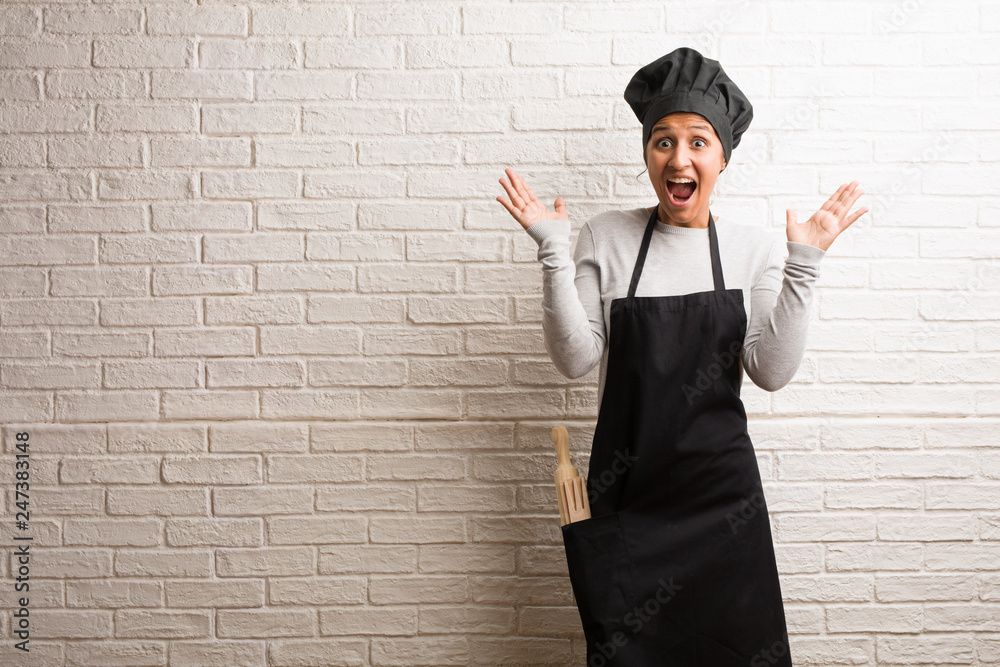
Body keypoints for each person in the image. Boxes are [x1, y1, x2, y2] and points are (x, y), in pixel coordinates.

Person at [496, 47, 867, 665]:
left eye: (698, 141)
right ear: (647, 155)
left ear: (722, 157)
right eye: (662, 141)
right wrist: (552, 253)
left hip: (724, 512)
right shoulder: (605, 237)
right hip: (629, 505)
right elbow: (575, 359)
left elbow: (770, 373)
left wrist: (806, 263)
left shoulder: (752, 248)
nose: (679, 157)